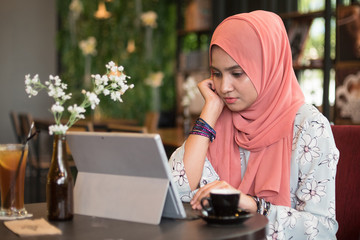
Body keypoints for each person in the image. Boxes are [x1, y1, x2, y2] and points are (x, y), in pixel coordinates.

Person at [169, 10, 338, 239]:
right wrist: (208, 112)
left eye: (237, 73)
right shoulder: (217, 119)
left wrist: (253, 206)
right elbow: (174, 191)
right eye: (216, 74)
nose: (224, 87)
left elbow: (322, 231)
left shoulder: (309, 127)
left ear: (268, 68)